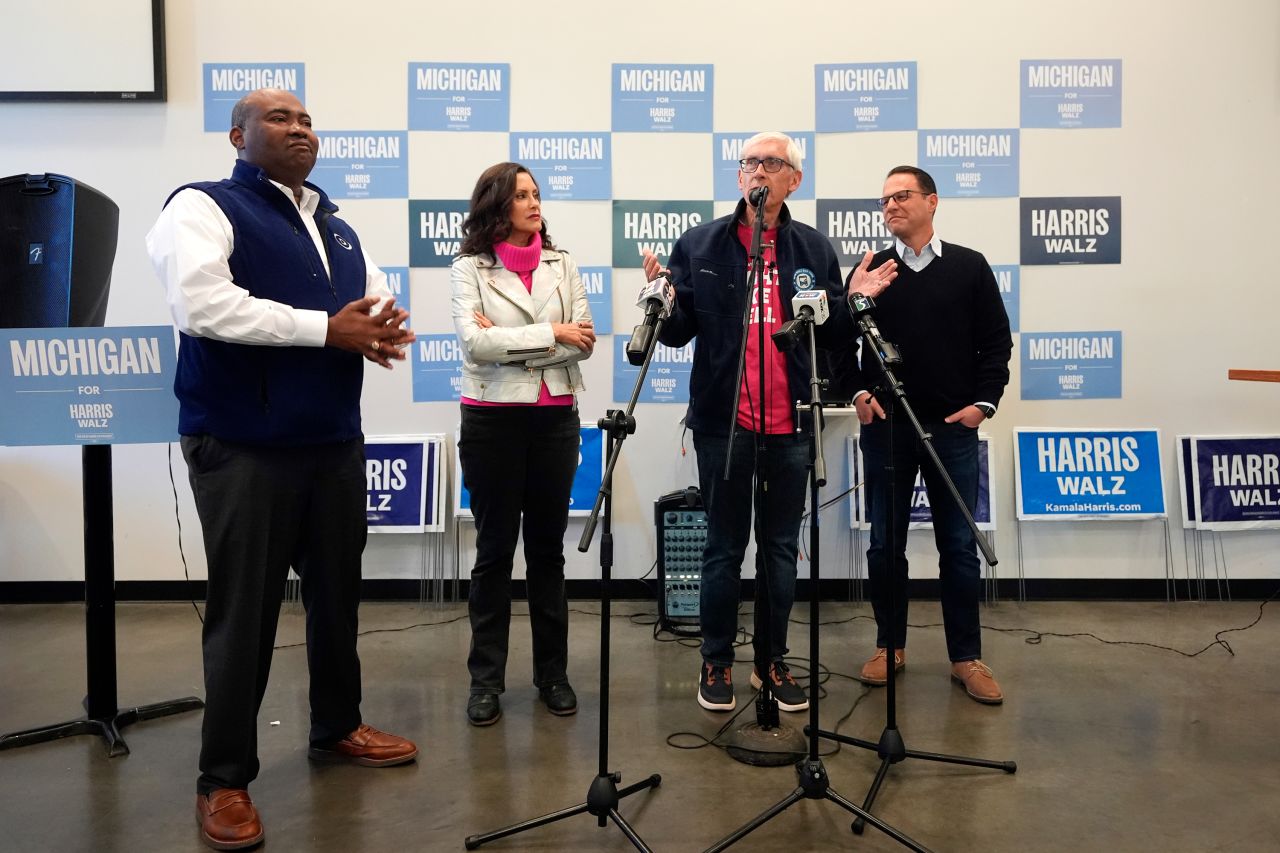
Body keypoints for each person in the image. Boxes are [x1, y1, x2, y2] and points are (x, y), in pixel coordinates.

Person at [146, 88, 418, 851]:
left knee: (338, 601)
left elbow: (369, 304)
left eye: (306, 119)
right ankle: (224, 778)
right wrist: (326, 329)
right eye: (279, 118)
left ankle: (337, 726)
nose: (299, 128)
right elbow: (203, 304)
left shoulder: (337, 225)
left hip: (331, 440)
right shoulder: (201, 207)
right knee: (246, 613)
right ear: (239, 134)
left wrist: (380, 322)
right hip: (241, 445)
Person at [642, 132, 896, 713]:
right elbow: (679, 333)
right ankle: (717, 659)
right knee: (724, 549)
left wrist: (852, 300)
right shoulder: (701, 244)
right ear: (739, 177)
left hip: (791, 425)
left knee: (780, 548)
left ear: (793, 180)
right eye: (750, 163)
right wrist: (662, 296)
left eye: (772, 163)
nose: (759, 171)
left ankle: (771, 661)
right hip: (721, 425)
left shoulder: (812, 249)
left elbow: (832, 340)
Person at [848, 165, 1013, 704]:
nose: (891, 205)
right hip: (888, 429)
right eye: (885, 199)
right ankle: (889, 646)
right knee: (883, 545)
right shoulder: (873, 270)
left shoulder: (969, 266)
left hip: (951, 430)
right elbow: (844, 346)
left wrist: (983, 404)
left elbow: (995, 343)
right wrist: (858, 394)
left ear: (932, 201)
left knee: (958, 548)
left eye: (902, 196)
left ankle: (966, 657)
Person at [451, 162, 595, 727]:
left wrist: (515, 340)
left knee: (547, 556)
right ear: (495, 205)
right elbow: (473, 344)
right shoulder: (468, 267)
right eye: (521, 196)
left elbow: (581, 342)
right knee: (492, 555)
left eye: (536, 194)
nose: (534, 204)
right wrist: (550, 334)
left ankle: (552, 675)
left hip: (556, 419)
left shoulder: (564, 264)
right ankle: (485, 682)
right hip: (492, 422)